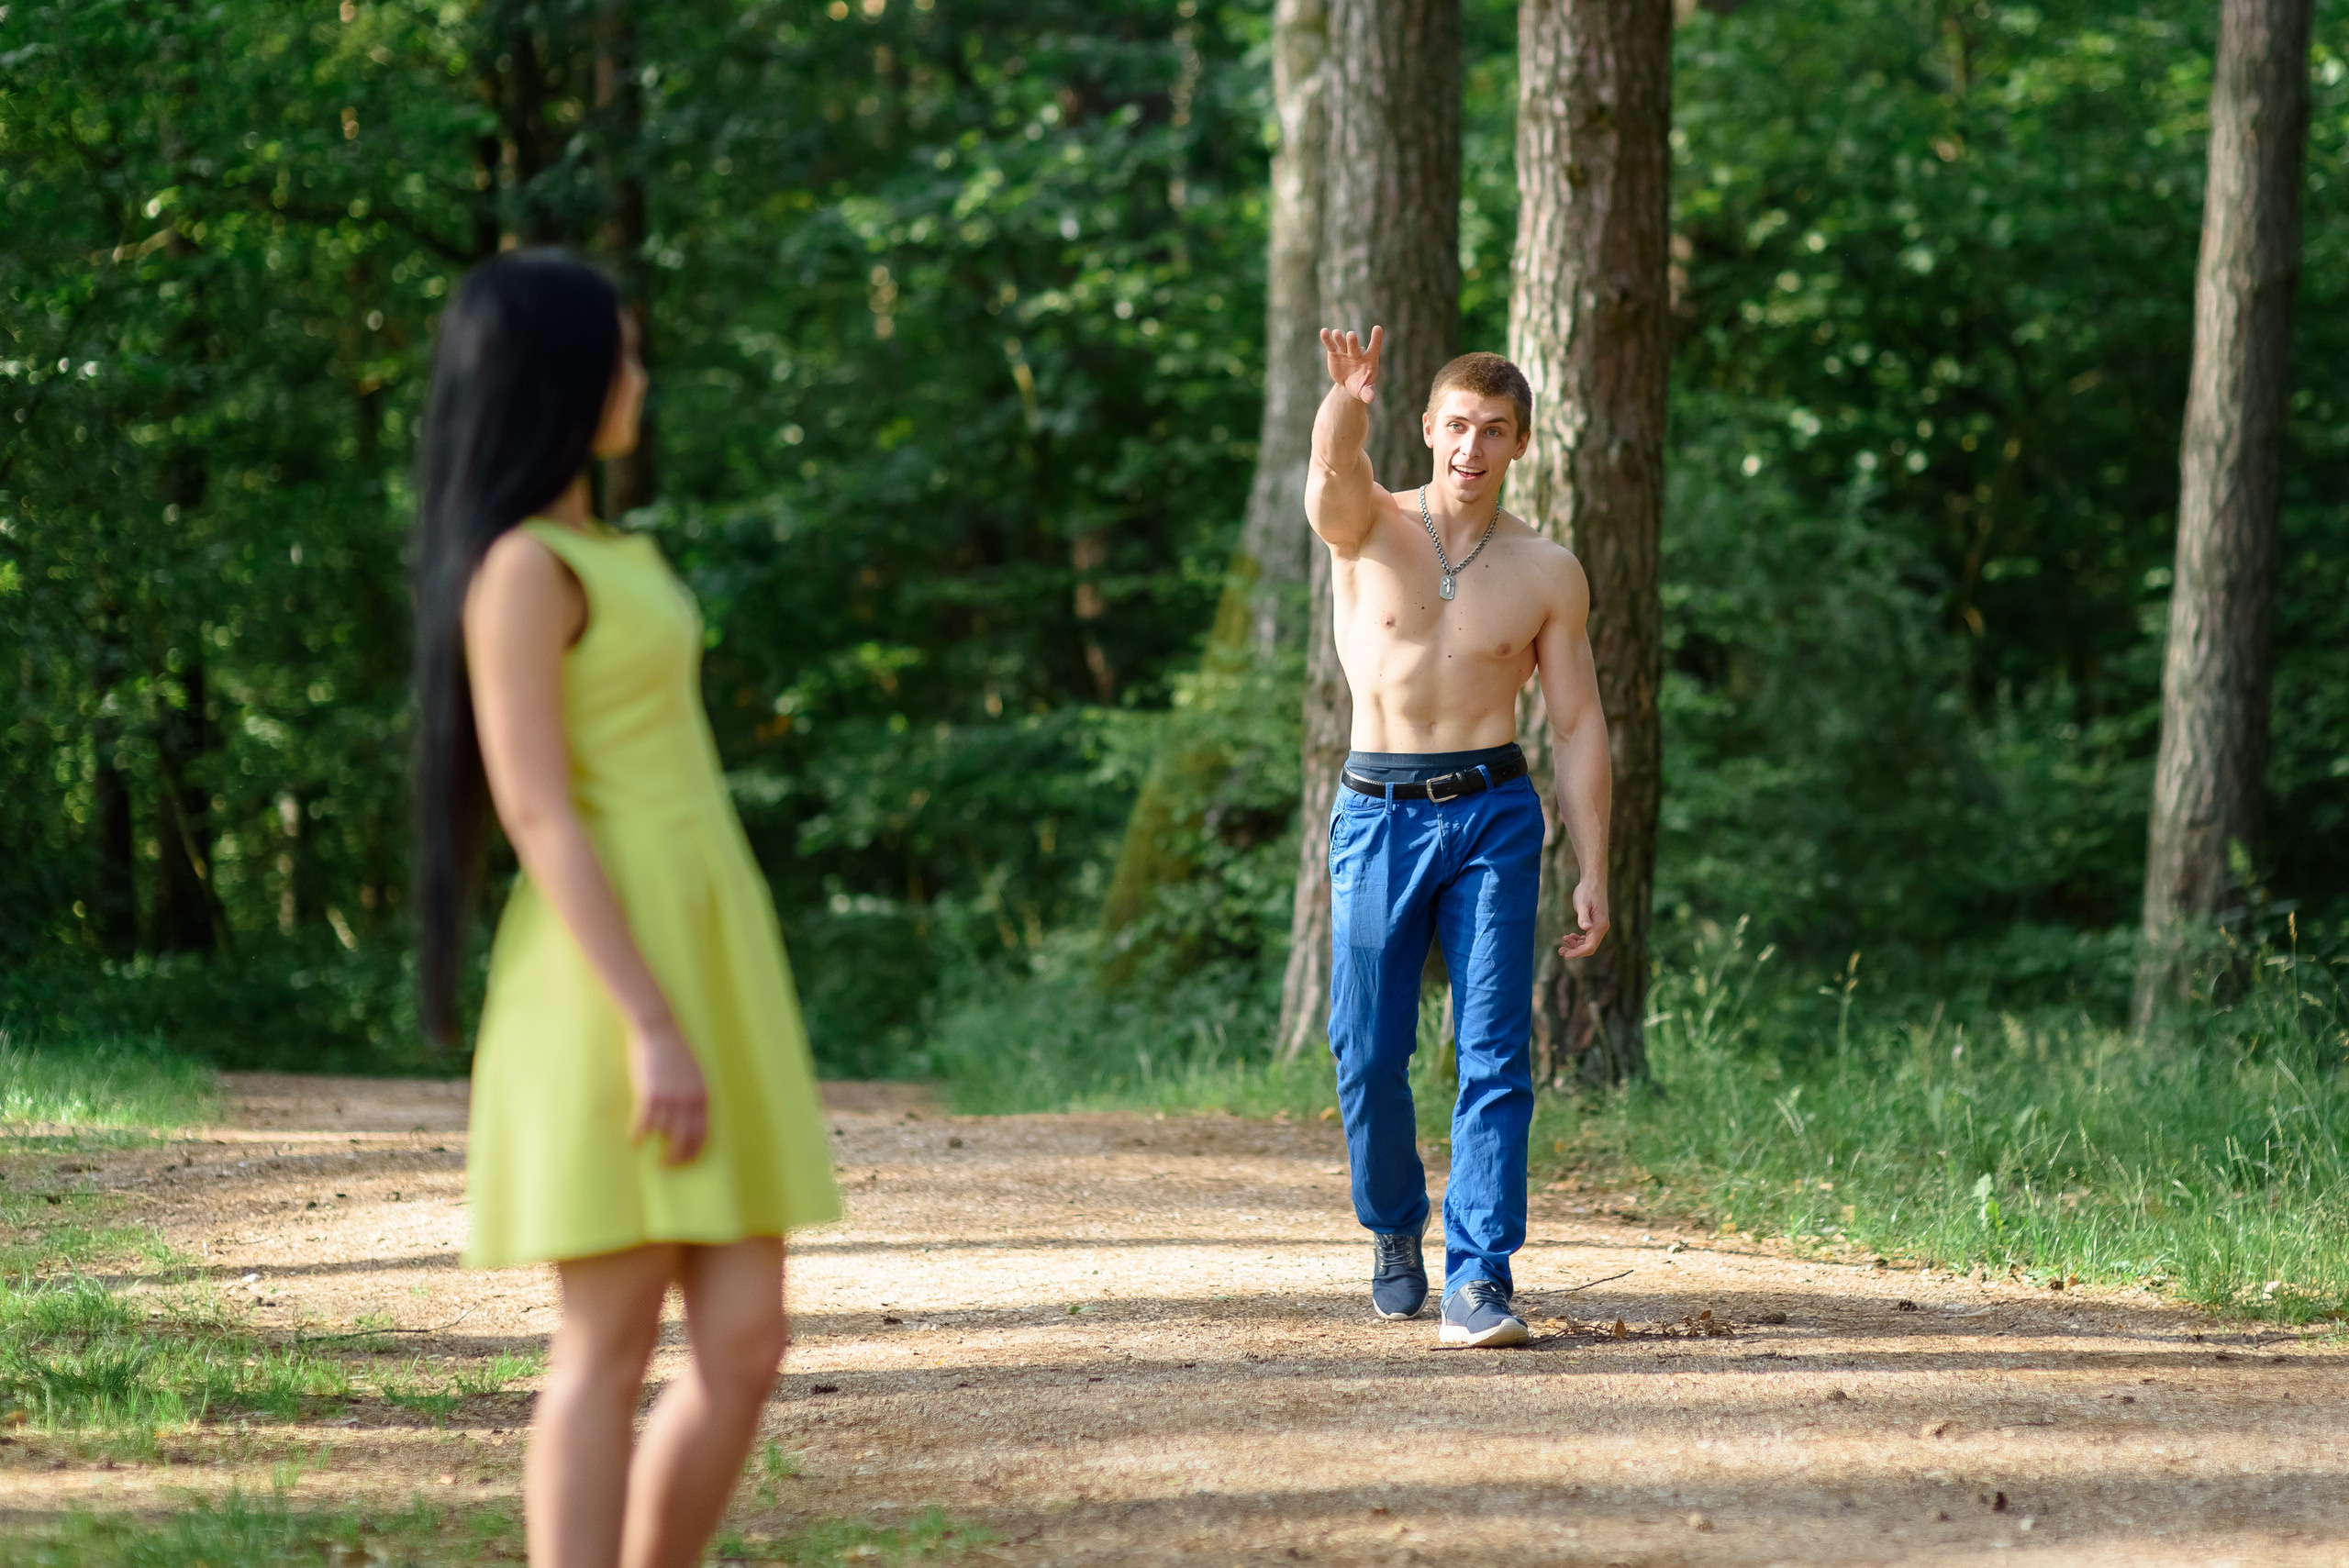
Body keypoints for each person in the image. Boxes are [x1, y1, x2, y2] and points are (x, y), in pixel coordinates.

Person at [410, 250, 840, 1568]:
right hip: (610, 978)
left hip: (711, 942)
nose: (641, 378)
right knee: (602, 1342)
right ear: (559, 375)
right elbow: (536, 811)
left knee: (748, 1345)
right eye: (624, 354)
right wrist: (647, 1018)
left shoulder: (612, 547)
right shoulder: (521, 570)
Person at [1306, 326, 1611, 1349]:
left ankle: (1481, 1276)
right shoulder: (1367, 526)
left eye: (1492, 431)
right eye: (1454, 427)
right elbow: (1330, 468)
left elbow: (1574, 724)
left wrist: (1594, 865)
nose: (1470, 448)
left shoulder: (1545, 569)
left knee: (1491, 1051)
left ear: (1519, 443)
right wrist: (1347, 397)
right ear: (1427, 428)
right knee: (1366, 1048)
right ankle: (1395, 1227)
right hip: (1376, 810)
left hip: (1491, 809)